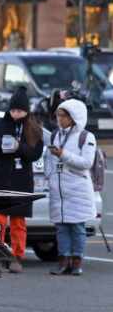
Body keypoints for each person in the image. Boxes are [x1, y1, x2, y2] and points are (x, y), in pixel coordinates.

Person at [0, 87, 44, 273]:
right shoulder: (0, 124)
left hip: (21, 180)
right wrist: (1, 144)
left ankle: (17, 256)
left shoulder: (33, 127)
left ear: (26, 111)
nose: (16, 114)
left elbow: (35, 153)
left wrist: (19, 148)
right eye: (13, 110)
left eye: (20, 111)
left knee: (18, 222)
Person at [45, 98, 96, 276]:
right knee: (61, 228)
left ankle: (76, 262)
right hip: (58, 190)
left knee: (77, 227)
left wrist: (63, 154)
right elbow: (48, 158)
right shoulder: (55, 135)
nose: (60, 119)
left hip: (77, 189)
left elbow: (86, 163)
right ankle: (63, 261)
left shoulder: (86, 137)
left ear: (74, 117)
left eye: (64, 116)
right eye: (58, 115)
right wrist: (49, 175)